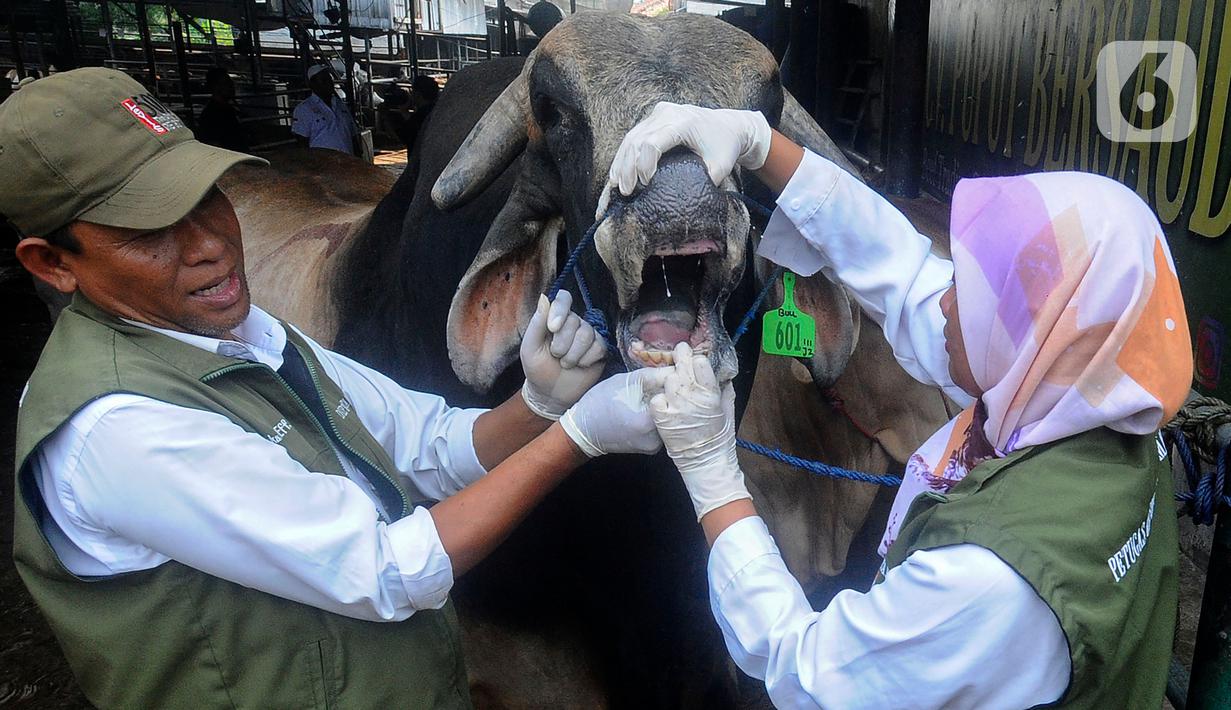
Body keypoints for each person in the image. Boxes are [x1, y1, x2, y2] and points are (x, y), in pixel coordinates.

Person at [2, 67, 662, 707]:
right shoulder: (116, 428)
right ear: (53, 263)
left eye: (207, 198)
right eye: (149, 230)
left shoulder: (250, 332)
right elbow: (386, 569)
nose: (210, 245)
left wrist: (538, 405)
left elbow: (427, 443)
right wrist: (576, 439)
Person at [609, 102, 1193, 708]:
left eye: (971, 291)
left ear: (1037, 337)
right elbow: (909, 274)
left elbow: (808, 673)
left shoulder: (988, 578)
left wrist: (712, 475)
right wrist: (761, 145)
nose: (943, 301)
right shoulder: (1095, 397)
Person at [292, 64, 360, 155]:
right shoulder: (304, 109)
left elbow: (352, 134)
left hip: (347, 160)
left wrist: (358, 156)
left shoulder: (340, 105)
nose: (329, 83)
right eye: (324, 80)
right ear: (313, 85)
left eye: (330, 79)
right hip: (323, 163)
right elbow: (302, 141)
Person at [194, 67, 248, 152]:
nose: (232, 87)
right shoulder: (211, 115)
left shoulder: (228, 109)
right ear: (216, 87)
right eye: (226, 83)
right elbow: (213, 144)